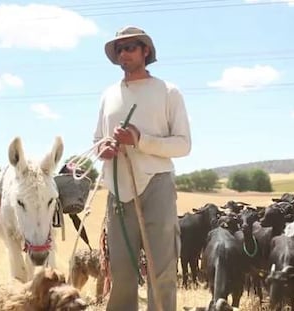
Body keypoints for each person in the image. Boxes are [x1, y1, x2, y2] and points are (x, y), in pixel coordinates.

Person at [93, 25, 191, 311]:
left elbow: (183, 145)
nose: (124, 54)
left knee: (162, 271)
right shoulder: (108, 95)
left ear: (145, 50)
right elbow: (97, 139)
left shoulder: (168, 91)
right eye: (119, 49)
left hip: (156, 185)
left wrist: (140, 140)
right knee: (121, 274)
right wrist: (104, 149)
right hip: (117, 188)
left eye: (130, 47)